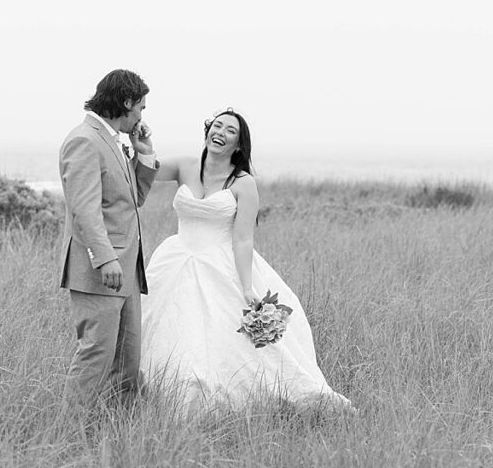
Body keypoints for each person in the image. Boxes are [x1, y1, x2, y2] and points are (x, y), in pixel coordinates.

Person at [140, 108, 351, 412]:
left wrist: (247, 286)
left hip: (220, 264)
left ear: (238, 145)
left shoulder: (243, 183)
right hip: (176, 260)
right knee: (176, 330)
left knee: (226, 339)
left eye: (230, 131)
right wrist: (144, 146)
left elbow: (242, 239)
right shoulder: (185, 165)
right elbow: (148, 171)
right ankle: (171, 396)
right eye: (218, 125)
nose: (220, 133)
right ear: (208, 129)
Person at [59, 69, 159, 408]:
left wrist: (143, 152)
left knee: (127, 366)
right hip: (101, 271)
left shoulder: (115, 141)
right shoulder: (84, 140)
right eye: (141, 108)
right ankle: (68, 437)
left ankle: (118, 433)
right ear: (127, 102)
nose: (142, 115)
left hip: (126, 271)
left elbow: (134, 200)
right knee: (96, 356)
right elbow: (84, 210)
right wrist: (105, 258)